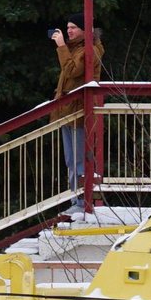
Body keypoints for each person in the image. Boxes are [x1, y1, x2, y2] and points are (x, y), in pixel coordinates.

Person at [47, 20, 104, 182]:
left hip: (79, 110)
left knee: (78, 158)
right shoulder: (76, 48)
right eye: (67, 28)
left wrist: (61, 46)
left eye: (73, 27)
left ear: (85, 30)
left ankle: (81, 193)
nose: (69, 31)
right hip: (69, 109)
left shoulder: (90, 49)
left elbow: (72, 71)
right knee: (71, 158)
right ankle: (76, 193)